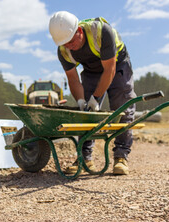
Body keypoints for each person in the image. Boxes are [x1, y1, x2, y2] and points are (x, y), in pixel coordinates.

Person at [49, 11, 137, 175]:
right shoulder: (63, 50)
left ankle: (121, 157)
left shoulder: (102, 32)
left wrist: (95, 98)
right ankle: (84, 159)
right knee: (86, 115)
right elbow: (73, 79)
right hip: (91, 70)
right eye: (65, 43)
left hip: (117, 65)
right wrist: (82, 101)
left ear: (79, 31)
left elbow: (109, 69)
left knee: (122, 106)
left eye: (71, 41)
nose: (69, 46)